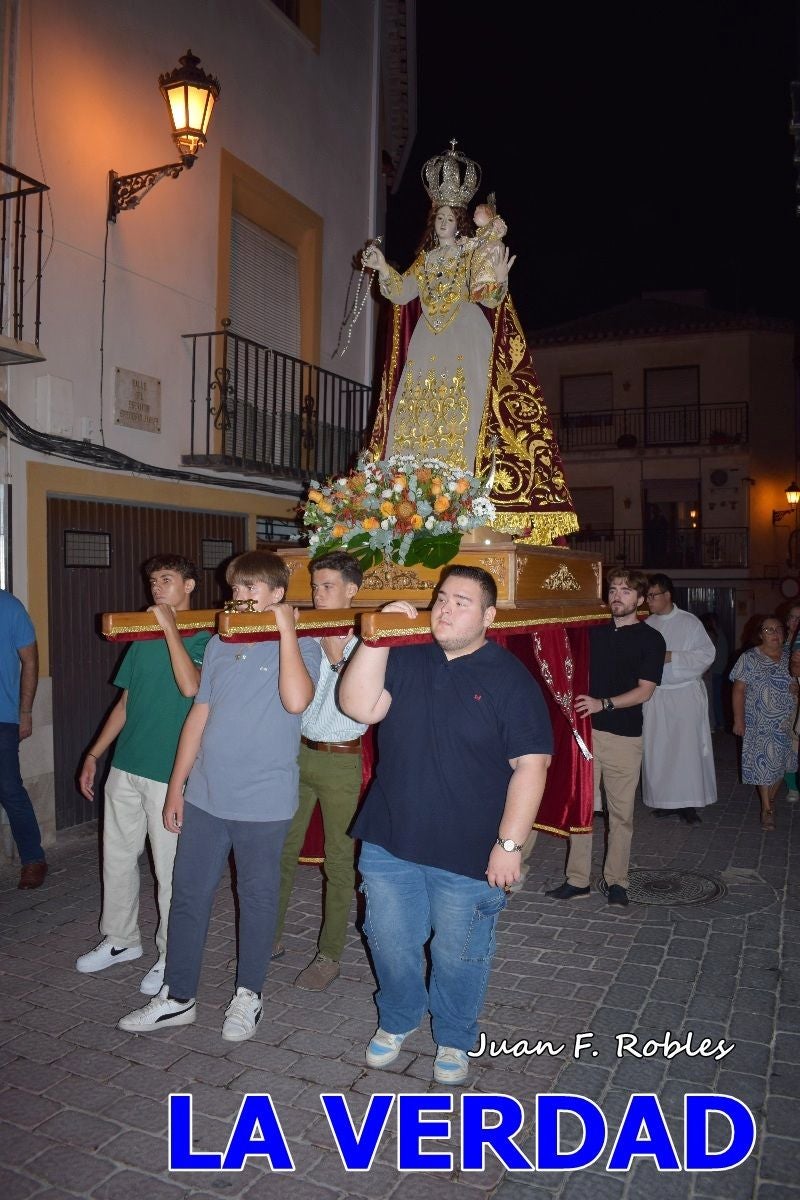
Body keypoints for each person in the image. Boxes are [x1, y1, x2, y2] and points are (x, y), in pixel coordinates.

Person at [339, 564, 552, 1085]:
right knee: (388, 940)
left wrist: (509, 845)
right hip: (392, 838)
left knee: (458, 955)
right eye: (442, 598)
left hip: (470, 849)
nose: (447, 608)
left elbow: (532, 766)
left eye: (463, 601)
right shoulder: (407, 656)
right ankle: (399, 1018)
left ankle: (455, 1035)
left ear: (488, 616)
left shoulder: (508, 678)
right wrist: (378, 633)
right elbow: (358, 707)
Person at [117, 551, 320, 1042]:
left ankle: (249, 994)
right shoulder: (224, 644)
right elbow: (198, 716)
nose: (241, 597)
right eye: (236, 588)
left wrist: (288, 630)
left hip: (264, 800)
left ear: (277, 594)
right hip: (207, 794)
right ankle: (178, 995)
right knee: (187, 896)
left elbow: (297, 701)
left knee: (255, 898)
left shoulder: (303, 643)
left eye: (253, 588)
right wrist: (178, 785)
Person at [362, 141, 576, 546]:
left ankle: (463, 496)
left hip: (465, 336)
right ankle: (408, 494)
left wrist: (496, 265)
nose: (442, 221)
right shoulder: (425, 261)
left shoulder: (472, 250)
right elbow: (401, 292)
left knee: (467, 408)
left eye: (448, 216)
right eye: (437, 216)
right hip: (427, 341)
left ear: (458, 220)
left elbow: (490, 296)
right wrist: (381, 267)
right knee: (416, 409)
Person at [76, 555, 210, 995]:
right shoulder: (142, 636)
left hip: (170, 773)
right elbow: (125, 703)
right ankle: (120, 940)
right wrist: (95, 753)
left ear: (189, 585)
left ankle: (173, 955)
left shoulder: (208, 637)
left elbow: (191, 687)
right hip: (127, 766)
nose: (156, 588)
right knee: (116, 858)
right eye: (153, 581)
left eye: (166, 581)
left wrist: (170, 626)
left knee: (171, 872)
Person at [272, 550, 367, 990]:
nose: (318, 594)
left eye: (327, 586)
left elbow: (364, 705)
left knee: (339, 862)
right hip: (298, 754)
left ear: (352, 590)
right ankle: (267, 938)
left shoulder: (369, 638)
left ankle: (329, 955)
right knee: (281, 854)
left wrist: (336, 658)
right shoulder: (306, 629)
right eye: (314, 586)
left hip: (342, 760)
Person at [543, 569, 665, 908]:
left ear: (640, 600)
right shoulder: (591, 631)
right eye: (613, 589)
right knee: (581, 810)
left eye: (626, 591)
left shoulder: (651, 639)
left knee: (621, 814)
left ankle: (617, 882)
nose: (618, 596)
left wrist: (603, 704)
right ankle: (577, 879)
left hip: (625, 737)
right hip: (586, 734)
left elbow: (645, 692)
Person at [642, 574, 716, 823]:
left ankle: (688, 804)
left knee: (686, 752)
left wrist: (673, 656)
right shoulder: (647, 624)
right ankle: (664, 800)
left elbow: (707, 655)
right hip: (656, 696)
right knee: (659, 749)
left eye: (653, 596)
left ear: (667, 595)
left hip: (684, 695)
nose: (648, 601)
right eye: (647, 596)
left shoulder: (690, 622)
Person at [0, 589, 47, 889]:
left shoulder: (9, 606)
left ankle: (34, 859)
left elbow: (30, 661)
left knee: (9, 789)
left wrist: (25, 711)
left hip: (3, 716)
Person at [731, 616, 797, 830]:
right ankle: (767, 808)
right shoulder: (749, 658)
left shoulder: (791, 657)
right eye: (768, 630)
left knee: (781, 766)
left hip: (786, 722)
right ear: (760, 634)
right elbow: (738, 690)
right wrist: (738, 719)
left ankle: (771, 797)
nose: (775, 633)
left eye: (778, 629)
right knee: (763, 765)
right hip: (758, 722)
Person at [700, 612, 730, 733]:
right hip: (717, 670)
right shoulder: (718, 633)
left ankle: (717, 723)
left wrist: (706, 668)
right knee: (715, 698)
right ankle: (718, 723)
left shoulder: (711, 634)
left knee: (713, 699)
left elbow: (710, 656)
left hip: (714, 671)